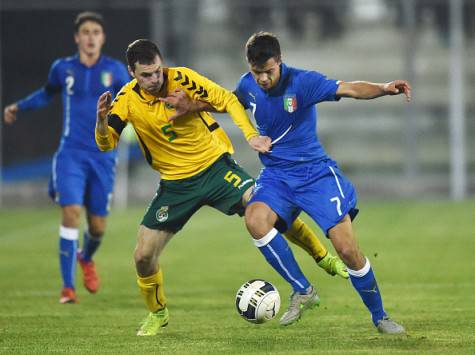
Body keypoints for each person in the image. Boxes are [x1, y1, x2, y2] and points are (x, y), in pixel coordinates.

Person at [95, 39, 347, 336]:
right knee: (142, 256)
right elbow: (106, 143)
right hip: (175, 185)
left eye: (157, 72)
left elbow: (228, 99)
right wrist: (100, 122)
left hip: (216, 169)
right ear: (132, 73)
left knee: (268, 208)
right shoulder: (125, 100)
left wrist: (251, 134)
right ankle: (157, 313)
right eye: (145, 75)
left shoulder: (183, 79)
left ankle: (323, 258)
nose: (154, 80)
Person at [169, 32, 411, 333]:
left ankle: (380, 316)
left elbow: (349, 89)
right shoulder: (248, 84)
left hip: (316, 175)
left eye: (268, 71)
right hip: (277, 177)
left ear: (280, 62)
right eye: (257, 72)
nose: (263, 79)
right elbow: (231, 103)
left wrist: (385, 88)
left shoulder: (303, 82)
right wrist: (194, 105)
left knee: (347, 250)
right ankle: (303, 290)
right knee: (255, 219)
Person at [3, 12, 130, 304]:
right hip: (70, 153)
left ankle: (86, 257)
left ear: (102, 37)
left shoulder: (115, 71)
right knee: (71, 212)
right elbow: (46, 94)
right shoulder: (63, 68)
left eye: (95, 32)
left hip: (103, 156)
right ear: (76, 37)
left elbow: (133, 101)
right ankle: (68, 287)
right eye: (85, 32)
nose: (90, 37)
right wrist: (19, 107)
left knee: (97, 227)